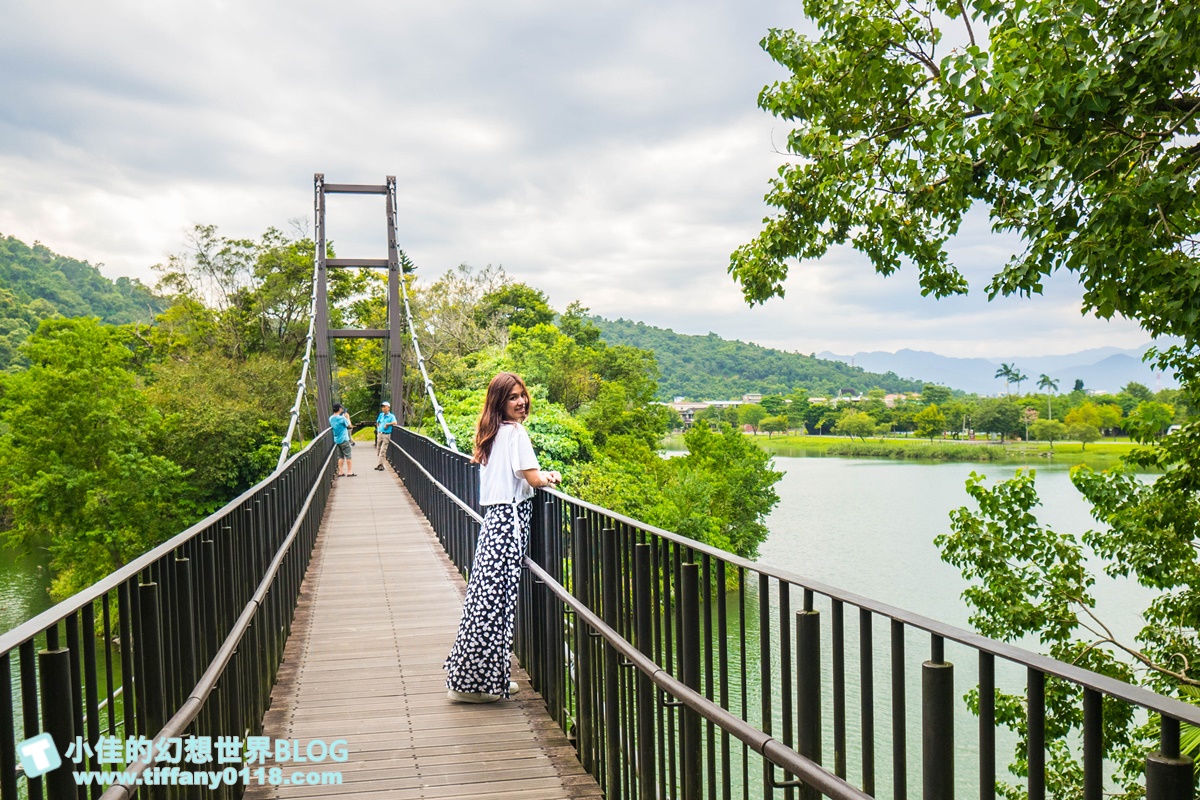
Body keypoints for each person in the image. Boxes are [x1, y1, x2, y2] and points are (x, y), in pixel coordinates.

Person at [444, 372, 561, 703]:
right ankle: (478, 687)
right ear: (500, 402)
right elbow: (533, 479)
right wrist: (550, 476)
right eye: (513, 397)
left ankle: (476, 680)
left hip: (493, 522)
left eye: (522, 394)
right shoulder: (515, 433)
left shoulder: (491, 432)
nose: (521, 401)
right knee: (497, 606)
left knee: (483, 603)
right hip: (510, 522)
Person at [329, 403, 355, 477]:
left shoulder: (331, 418)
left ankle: (340, 471)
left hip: (337, 440)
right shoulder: (342, 418)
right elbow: (349, 426)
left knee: (340, 456)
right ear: (339, 409)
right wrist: (347, 417)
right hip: (344, 439)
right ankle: (350, 472)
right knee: (348, 455)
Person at [374, 400, 397, 471]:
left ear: (388, 408)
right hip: (380, 434)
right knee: (378, 449)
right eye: (382, 407)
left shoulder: (391, 416)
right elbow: (377, 422)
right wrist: (378, 429)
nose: (383, 408)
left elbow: (395, 423)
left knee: (383, 450)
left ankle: (380, 465)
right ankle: (380, 464)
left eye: (384, 407)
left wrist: (388, 424)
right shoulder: (381, 415)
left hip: (386, 435)